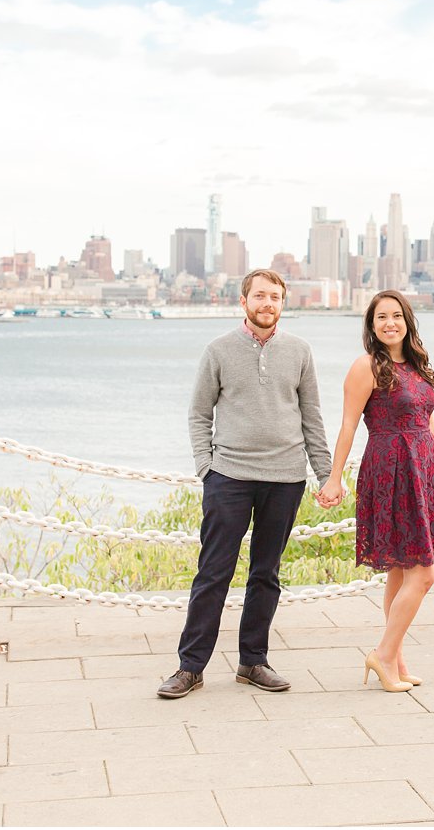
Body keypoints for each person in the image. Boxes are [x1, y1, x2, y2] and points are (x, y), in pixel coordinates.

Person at [157, 269, 332, 699]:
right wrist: (206, 468)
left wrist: (326, 474)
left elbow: (312, 418)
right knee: (213, 573)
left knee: (265, 574)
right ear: (243, 301)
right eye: (260, 296)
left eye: (275, 297)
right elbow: (199, 414)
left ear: (283, 303)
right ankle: (190, 667)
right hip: (229, 477)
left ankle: (254, 662)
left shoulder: (300, 352)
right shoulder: (218, 351)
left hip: (286, 478)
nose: (267, 303)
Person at [317, 290, 434, 692]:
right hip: (389, 471)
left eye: (396, 316)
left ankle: (396, 658)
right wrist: (334, 477)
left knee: (399, 572)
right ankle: (383, 655)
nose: (389, 323)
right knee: (423, 576)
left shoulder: (418, 365)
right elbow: (348, 426)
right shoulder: (367, 367)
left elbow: (427, 419)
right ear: (372, 327)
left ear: (407, 320)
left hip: (421, 473)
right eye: (380, 318)